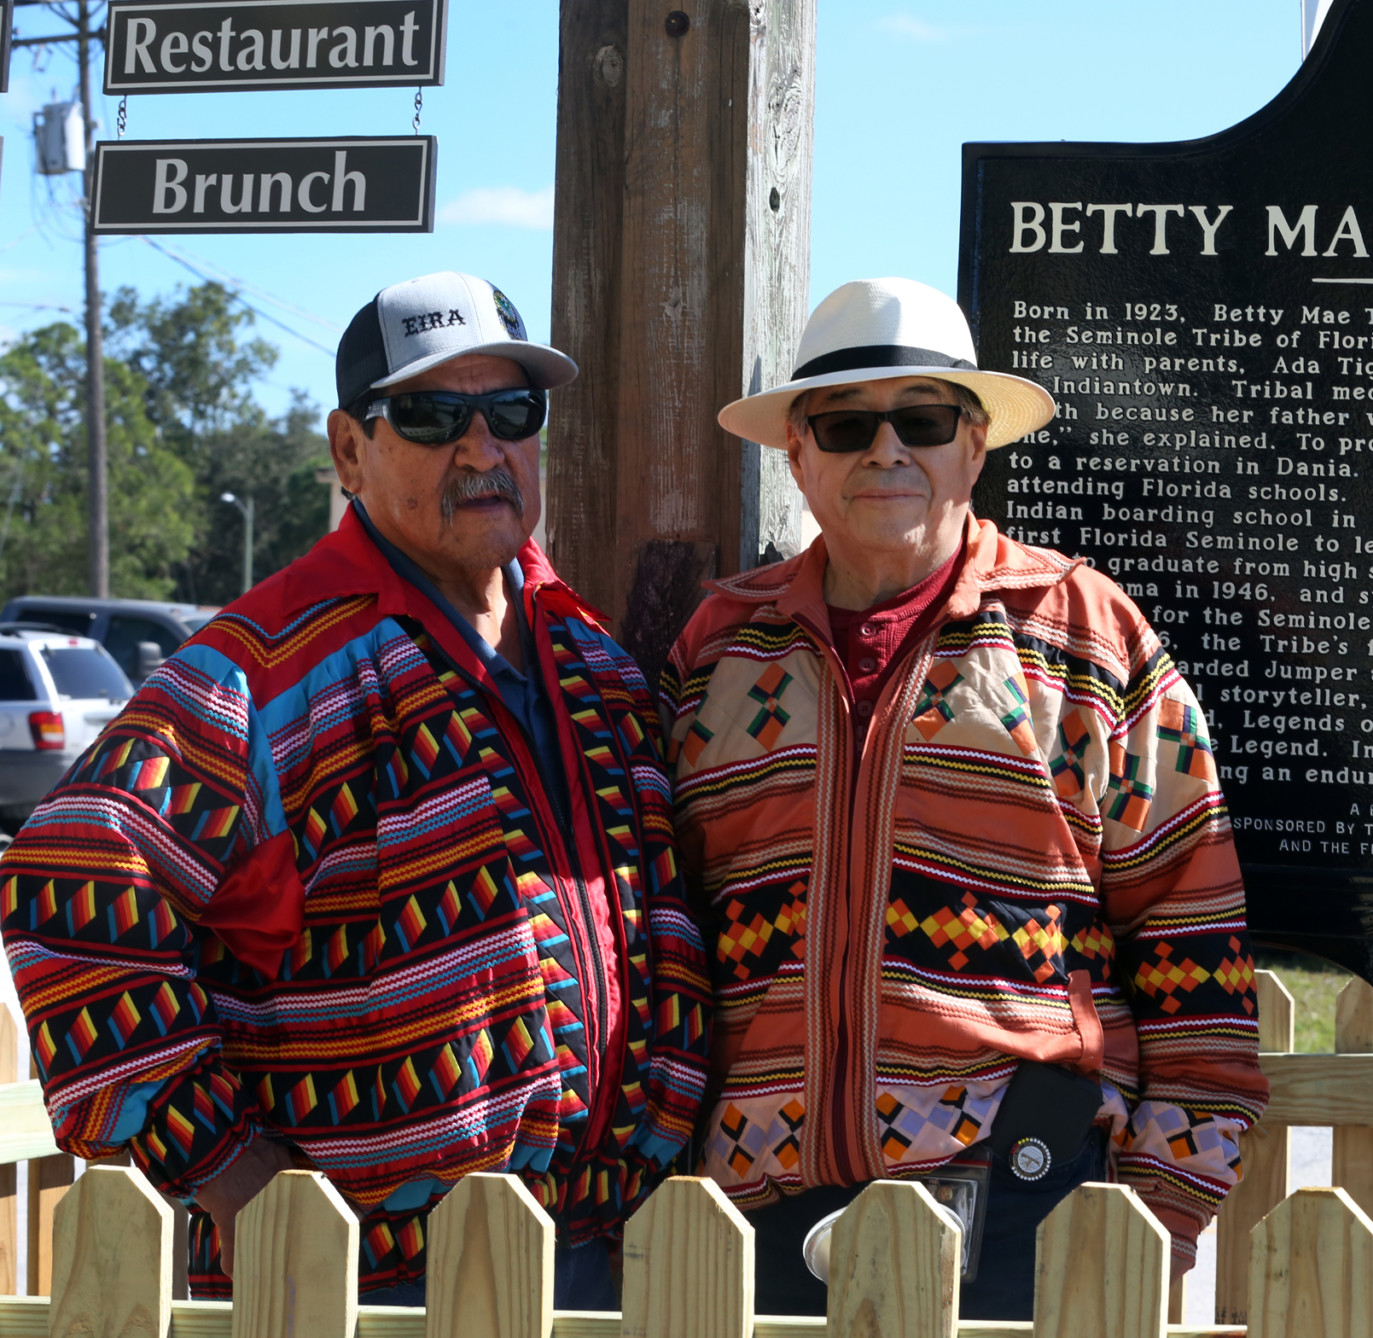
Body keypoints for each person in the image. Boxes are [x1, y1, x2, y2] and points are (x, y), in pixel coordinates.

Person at [0, 272, 709, 1304]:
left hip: (618, 1256)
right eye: (427, 416)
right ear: (348, 451)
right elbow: (70, 886)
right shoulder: (260, 672)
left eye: (511, 411)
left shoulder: (590, 655)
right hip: (358, 1283)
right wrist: (230, 1172)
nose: (480, 449)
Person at [662, 277, 1267, 1319]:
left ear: (972, 447)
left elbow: (1188, 922)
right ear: (797, 457)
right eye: (846, 425)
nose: (885, 451)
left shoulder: (1084, 634)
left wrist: (1165, 1203)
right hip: (753, 1208)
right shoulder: (716, 649)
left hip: (1031, 1189)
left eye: (923, 420)